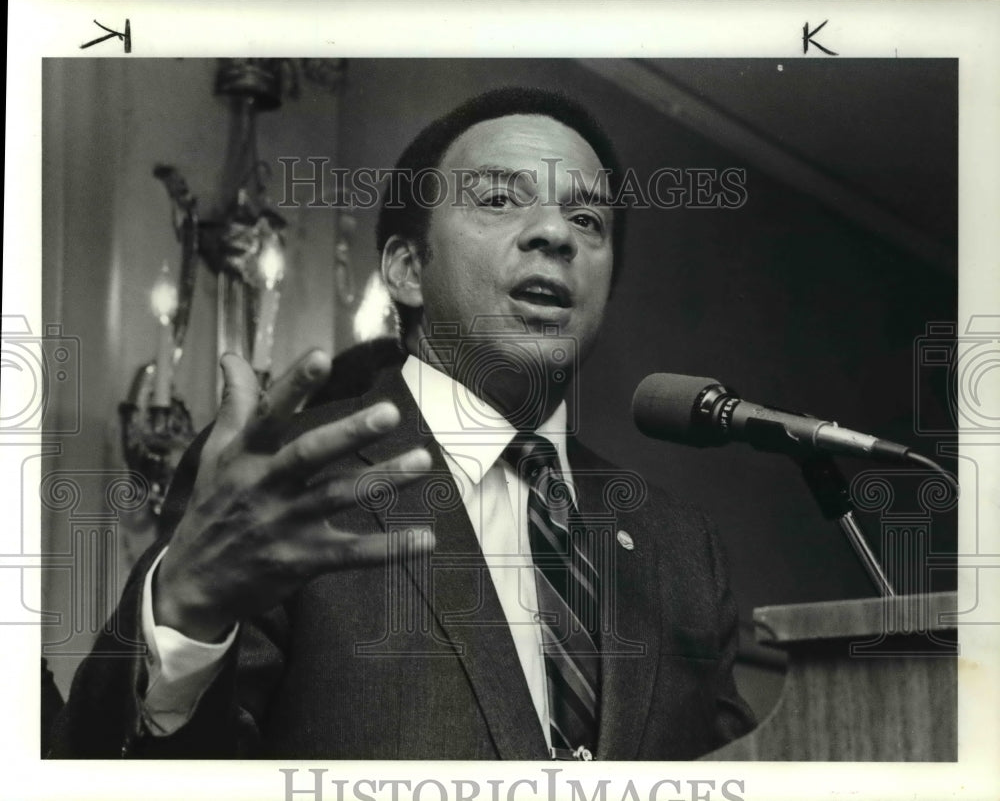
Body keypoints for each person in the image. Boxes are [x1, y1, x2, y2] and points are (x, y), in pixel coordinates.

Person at [48, 87, 754, 760]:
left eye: (588, 220)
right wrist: (185, 615)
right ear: (408, 268)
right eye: (501, 198)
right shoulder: (279, 475)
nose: (554, 234)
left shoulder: (682, 546)